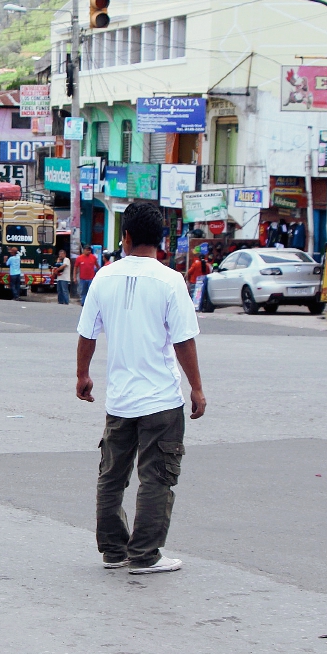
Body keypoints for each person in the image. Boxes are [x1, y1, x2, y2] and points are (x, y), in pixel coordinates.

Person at [75, 201, 205, 575]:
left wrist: (82, 375)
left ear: (126, 237)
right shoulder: (170, 280)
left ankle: (114, 550)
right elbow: (184, 341)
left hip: (119, 400)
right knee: (157, 477)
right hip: (161, 401)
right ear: (160, 240)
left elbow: (87, 334)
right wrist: (197, 388)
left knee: (112, 476)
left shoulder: (103, 277)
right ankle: (146, 554)